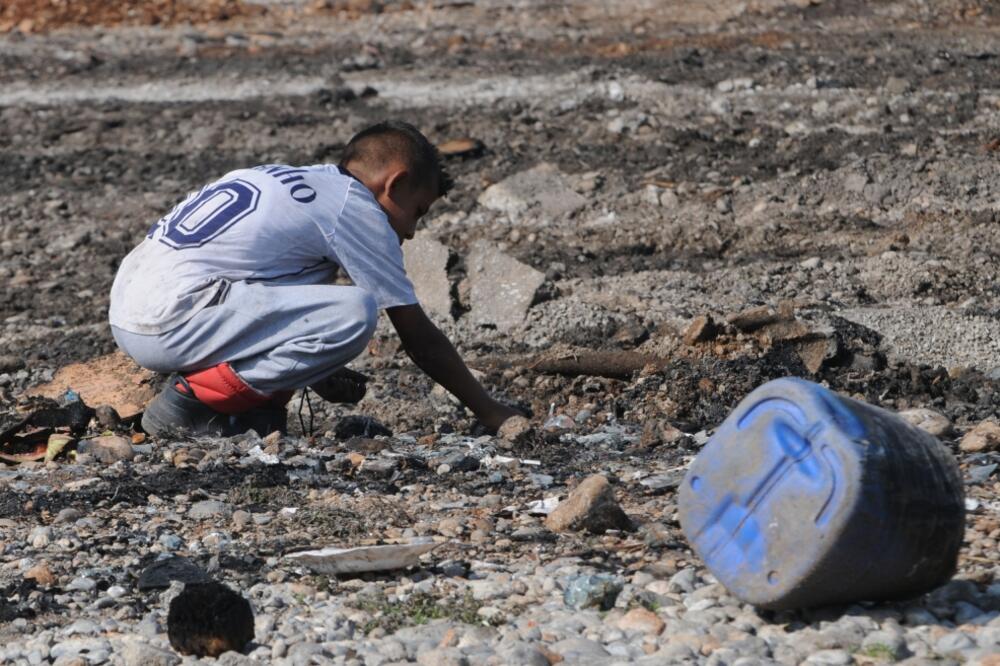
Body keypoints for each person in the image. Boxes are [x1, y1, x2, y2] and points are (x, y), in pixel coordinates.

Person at [109, 120, 520, 437]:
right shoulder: (354, 208)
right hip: (172, 320)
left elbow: (268, 284)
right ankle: (192, 404)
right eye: (417, 211)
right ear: (394, 183)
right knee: (355, 311)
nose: (411, 231)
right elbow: (417, 336)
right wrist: (490, 411)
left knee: (314, 281)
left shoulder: (293, 178)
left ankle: (256, 411)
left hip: (131, 310)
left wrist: (314, 370)